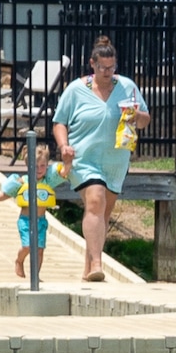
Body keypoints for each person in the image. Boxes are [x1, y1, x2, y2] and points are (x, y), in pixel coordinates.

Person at [46, 35, 147, 284]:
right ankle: (98, 263)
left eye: (111, 67)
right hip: (84, 158)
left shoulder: (127, 86)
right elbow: (59, 122)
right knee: (95, 199)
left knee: (102, 214)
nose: (107, 72)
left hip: (115, 160)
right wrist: (63, 145)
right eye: (102, 67)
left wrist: (137, 117)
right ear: (92, 64)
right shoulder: (76, 89)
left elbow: (145, 119)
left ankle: (88, 267)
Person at [0, 140, 59, 287]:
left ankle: (35, 275)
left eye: (43, 166)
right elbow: (7, 194)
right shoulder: (23, 181)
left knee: (40, 250)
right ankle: (19, 260)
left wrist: (68, 164)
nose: (39, 169)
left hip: (41, 221)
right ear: (28, 165)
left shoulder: (48, 182)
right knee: (28, 247)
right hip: (25, 220)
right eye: (35, 166)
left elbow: (62, 172)